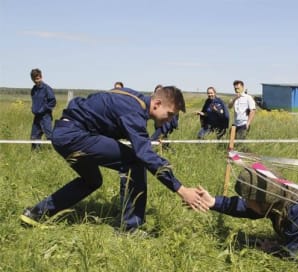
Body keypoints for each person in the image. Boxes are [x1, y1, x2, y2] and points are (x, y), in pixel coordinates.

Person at [21, 86, 208, 232]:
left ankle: (36, 213)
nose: (169, 120)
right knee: (134, 161)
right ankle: (129, 227)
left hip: (64, 133)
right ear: (157, 103)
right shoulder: (133, 111)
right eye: (169, 115)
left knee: (92, 181)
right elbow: (145, 154)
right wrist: (181, 189)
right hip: (75, 135)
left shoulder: (132, 98)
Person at [29, 68, 56, 150]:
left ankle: (55, 153)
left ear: (41, 77)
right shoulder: (34, 89)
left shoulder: (47, 88)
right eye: (34, 79)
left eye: (37, 78)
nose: (36, 80)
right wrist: (33, 109)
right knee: (34, 136)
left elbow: (52, 102)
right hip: (37, 116)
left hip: (45, 116)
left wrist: (43, 109)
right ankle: (35, 154)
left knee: (49, 136)